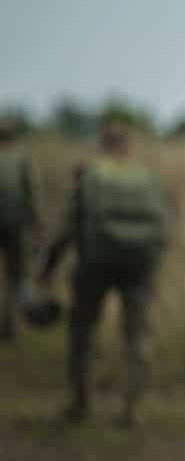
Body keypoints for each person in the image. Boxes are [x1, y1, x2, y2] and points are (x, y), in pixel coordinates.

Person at [41, 121, 167, 427]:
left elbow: (67, 229)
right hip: (139, 266)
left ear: (102, 145)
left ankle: (80, 403)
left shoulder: (89, 177)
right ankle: (133, 409)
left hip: (94, 265)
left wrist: (48, 269)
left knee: (82, 332)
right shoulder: (147, 179)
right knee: (137, 335)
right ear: (129, 146)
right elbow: (163, 227)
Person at [0, 119, 39, 342]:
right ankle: (10, 325)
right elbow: (32, 192)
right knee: (16, 276)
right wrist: (36, 224)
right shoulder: (21, 159)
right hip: (16, 223)